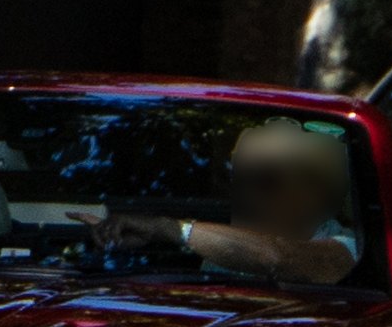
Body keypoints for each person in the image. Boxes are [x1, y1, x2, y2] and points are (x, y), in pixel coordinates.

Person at [70, 116, 359, 283]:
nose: (245, 194)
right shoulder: (226, 247)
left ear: (319, 194)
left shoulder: (346, 245)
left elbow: (276, 257)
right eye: (238, 179)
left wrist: (170, 229)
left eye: (266, 181)